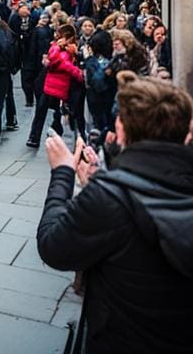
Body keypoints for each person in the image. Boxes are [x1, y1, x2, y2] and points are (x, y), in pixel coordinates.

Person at [36, 72, 193, 353]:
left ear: (121, 129)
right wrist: (98, 181)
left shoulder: (110, 198)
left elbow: (53, 246)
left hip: (122, 338)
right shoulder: (113, 192)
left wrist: (62, 173)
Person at [28, 24, 83, 148]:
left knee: (54, 111)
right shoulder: (57, 47)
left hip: (58, 85)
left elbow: (59, 63)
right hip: (53, 84)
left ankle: (41, 136)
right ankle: (39, 136)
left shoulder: (69, 49)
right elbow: (54, 60)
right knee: (49, 111)